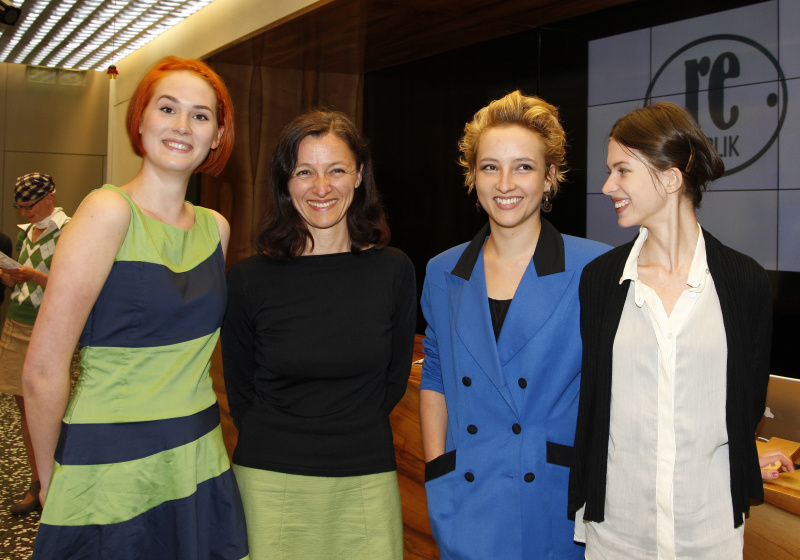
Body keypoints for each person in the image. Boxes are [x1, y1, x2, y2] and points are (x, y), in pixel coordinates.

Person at [23, 57, 248, 558]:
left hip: (196, 453)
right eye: (167, 108)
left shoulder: (216, 228)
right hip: (111, 460)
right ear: (140, 118)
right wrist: (50, 477)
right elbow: (42, 368)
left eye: (200, 115)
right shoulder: (107, 212)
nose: (182, 125)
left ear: (216, 136)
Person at [569, 101, 794, 559]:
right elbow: (594, 404)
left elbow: (747, 400)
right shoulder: (601, 280)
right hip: (617, 529)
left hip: (709, 529)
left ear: (671, 179)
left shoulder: (745, 282)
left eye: (622, 171)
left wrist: (744, 453)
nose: (608, 186)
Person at [418, 91, 609, 559]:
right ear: (472, 176)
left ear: (550, 176)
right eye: (490, 167)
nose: (505, 183)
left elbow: (634, 381)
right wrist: (437, 468)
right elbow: (436, 376)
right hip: (465, 498)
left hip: (554, 501)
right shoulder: (443, 271)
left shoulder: (595, 268)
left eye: (523, 166)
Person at [221, 109, 416, 560]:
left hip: (365, 477)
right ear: (285, 182)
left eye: (337, 170)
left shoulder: (394, 270)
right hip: (269, 480)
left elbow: (391, 382)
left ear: (360, 175)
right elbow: (241, 390)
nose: (321, 187)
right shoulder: (248, 280)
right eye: (304, 172)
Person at [0, 173, 69, 515]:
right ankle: (38, 480)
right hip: (16, 321)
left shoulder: (68, 230)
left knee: (49, 409)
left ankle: (58, 481)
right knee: (24, 406)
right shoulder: (25, 232)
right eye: (21, 207)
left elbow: (72, 285)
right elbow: (19, 285)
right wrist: (10, 275)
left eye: (30, 206)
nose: (26, 213)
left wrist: (36, 276)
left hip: (48, 327)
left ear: (50, 197)